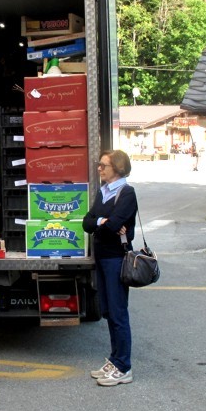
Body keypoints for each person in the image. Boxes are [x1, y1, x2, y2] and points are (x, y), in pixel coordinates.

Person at [82, 150, 138, 387]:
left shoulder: (127, 193)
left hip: (116, 259)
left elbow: (115, 224)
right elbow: (86, 223)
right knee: (107, 311)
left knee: (118, 312)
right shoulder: (103, 191)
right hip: (102, 257)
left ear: (117, 168)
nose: (99, 168)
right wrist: (102, 222)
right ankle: (115, 360)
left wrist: (105, 223)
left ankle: (124, 367)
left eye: (103, 165)